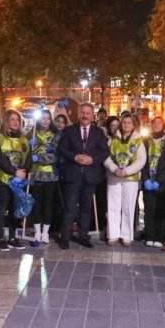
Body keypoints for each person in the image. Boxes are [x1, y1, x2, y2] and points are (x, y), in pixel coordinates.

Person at [58, 102, 110, 249]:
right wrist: (75, 157)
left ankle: (83, 236)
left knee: (86, 208)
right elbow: (62, 149)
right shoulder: (69, 131)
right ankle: (65, 237)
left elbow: (105, 152)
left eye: (88, 113)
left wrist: (92, 159)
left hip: (90, 176)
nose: (85, 115)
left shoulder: (98, 133)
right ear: (78, 114)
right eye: (83, 113)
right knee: (70, 208)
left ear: (92, 115)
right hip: (73, 175)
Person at [104, 113, 146, 246]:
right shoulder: (113, 139)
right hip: (114, 177)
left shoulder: (138, 140)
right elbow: (106, 157)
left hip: (131, 178)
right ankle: (113, 234)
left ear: (133, 125)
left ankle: (126, 235)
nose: (126, 125)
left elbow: (141, 160)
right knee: (113, 206)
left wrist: (127, 171)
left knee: (128, 206)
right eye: (124, 122)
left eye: (129, 123)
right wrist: (113, 169)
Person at [0, 109, 32, 251]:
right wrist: (13, 171)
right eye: (12, 120)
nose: (15, 122)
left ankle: (12, 237)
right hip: (3, 179)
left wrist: (24, 172)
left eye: (17, 120)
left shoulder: (24, 140)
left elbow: (28, 159)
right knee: (2, 208)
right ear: (6, 122)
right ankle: (1, 238)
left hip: (18, 180)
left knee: (15, 208)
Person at [141, 116, 165, 247]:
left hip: (163, 183)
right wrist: (145, 178)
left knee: (161, 210)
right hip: (148, 180)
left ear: (163, 125)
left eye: (159, 123)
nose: (157, 125)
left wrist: (159, 180)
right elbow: (141, 161)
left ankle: (160, 237)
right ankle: (149, 235)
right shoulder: (145, 140)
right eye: (154, 123)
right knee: (149, 209)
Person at [29, 109, 60, 244]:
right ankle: (37, 231)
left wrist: (39, 158)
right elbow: (26, 154)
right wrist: (29, 147)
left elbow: (55, 156)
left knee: (48, 204)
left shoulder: (56, 135)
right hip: (36, 174)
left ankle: (45, 232)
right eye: (43, 118)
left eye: (48, 118)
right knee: (37, 204)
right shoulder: (32, 134)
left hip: (50, 175)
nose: (45, 121)